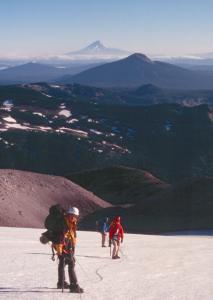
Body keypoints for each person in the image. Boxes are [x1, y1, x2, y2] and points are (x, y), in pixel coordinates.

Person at [52, 206, 84, 293]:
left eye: (76, 216)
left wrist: (72, 248)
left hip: (67, 247)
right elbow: (59, 239)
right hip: (63, 248)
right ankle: (73, 286)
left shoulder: (70, 223)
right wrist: (59, 252)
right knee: (71, 264)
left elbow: (72, 236)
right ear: (69, 214)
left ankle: (61, 283)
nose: (74, 218)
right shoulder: (64, 224)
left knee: (63, 264)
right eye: (73, 216)